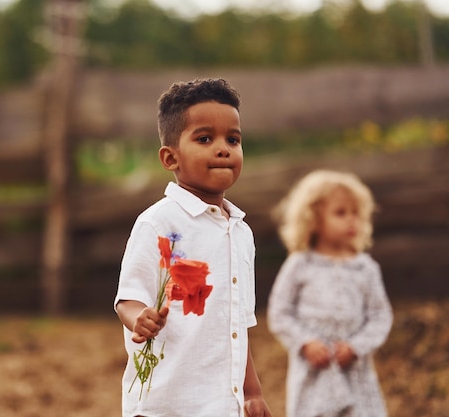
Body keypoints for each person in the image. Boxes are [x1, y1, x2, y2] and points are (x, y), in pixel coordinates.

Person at [114, 78, 272, 417]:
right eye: (205, 138)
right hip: (165, 403)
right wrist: (139, 318)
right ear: (171, 157)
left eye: (233, 139)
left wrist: (252, 392)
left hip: (221, 405)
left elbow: (237, 324)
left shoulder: (240, 232)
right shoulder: (159, 224)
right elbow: (128, 298)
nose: (223, 148)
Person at [267, 170, 393, 417]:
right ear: (313, 218)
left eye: (356, 213)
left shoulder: (365, 268)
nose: (351, 220)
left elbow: (380, 316)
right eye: (341, 212)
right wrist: (305, 342)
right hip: (313, 372)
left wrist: (356, 347)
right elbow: (280, 312)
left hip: (354, 372)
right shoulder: (299, 265)